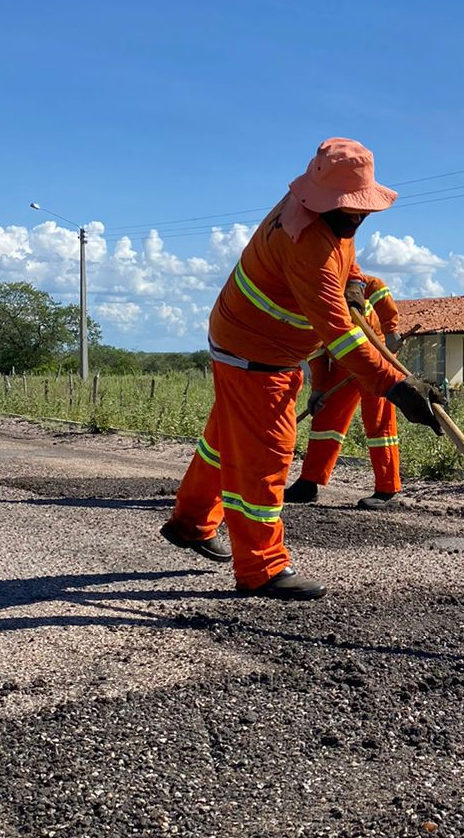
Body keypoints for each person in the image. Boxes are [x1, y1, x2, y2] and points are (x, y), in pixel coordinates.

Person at [160, 139, 442, 599]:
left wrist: (352, 283)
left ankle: (191, 522)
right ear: (319, 199)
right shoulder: (307, 245)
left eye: (361, 206)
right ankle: (261, 569)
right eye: (348, 208)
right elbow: (342, 337)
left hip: (252, 343)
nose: (358, 216)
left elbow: (344, 256)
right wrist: (400, 387)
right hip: (255, 353)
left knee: (226, 439)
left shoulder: (322, 210)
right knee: (266, 455)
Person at [285, 270, 405, 509]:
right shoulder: (304, 302)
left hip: (374, 359)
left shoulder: (345, 276)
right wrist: (318, 388)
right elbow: (316, 351)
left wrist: (392, 330)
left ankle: (386, 488)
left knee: (379, 425)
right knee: (324, 420)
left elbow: (377, 287)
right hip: (342, 364)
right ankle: (309, 483)